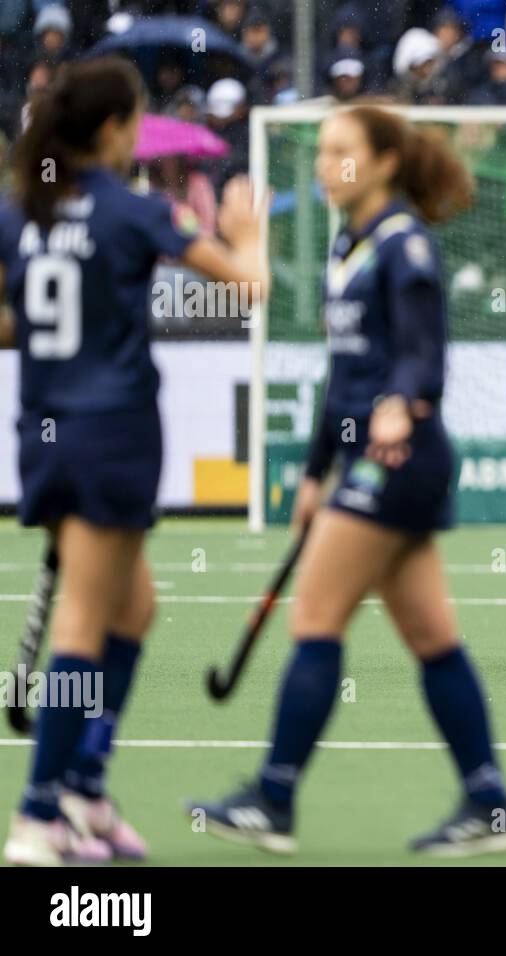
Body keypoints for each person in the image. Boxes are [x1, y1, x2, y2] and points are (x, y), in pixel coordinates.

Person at [189, 105, 506, 857]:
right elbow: (343, 375)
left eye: (341, 151)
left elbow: (423, 357)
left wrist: (399, 406)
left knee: (314, 615)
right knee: (431, 635)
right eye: (320, 152)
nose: (324, 164)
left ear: (382, 162)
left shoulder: (404, 244)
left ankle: (273, 797)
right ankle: (491, 802)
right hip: (371, 460)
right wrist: (315, 473)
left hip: (400, 458)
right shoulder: (349, 243)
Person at [0, 58, 266, 866]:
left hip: (47, 432)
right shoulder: (131, 210)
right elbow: (246, 286)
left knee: (135, 609)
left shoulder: (20, 210)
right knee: (86, 622)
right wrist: (247, 228)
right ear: (114, 130)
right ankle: (40, 813)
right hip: (112, 434)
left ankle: (84, 783)